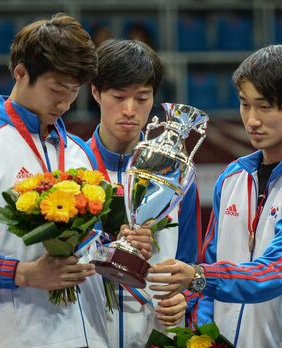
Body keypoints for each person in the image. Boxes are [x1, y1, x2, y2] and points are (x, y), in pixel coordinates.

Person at [148, 44, 282, 348]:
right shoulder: (232, 177)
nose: (251, 120)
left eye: (264, 106)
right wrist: (203, 333)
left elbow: (277, 271)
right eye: (244, 104)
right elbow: (211, 261)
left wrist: (197, 277)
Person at [0, 13, 129, 347]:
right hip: (15, 335)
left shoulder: (79, 151)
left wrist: (121, 249)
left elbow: (96, 242)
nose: (64, 103)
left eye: (74, 91)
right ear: (20, 73)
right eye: (55, 89)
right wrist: (23, 274)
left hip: (88, 335)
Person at [88, 38, 202, 348]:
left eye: (141, 98)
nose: (129, 110)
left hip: (158, 331)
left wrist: (186, 298)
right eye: (118, 96)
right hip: (90, 331)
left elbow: (192, 260)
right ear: (95, 92)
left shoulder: (175, 176)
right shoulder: (74, 170)